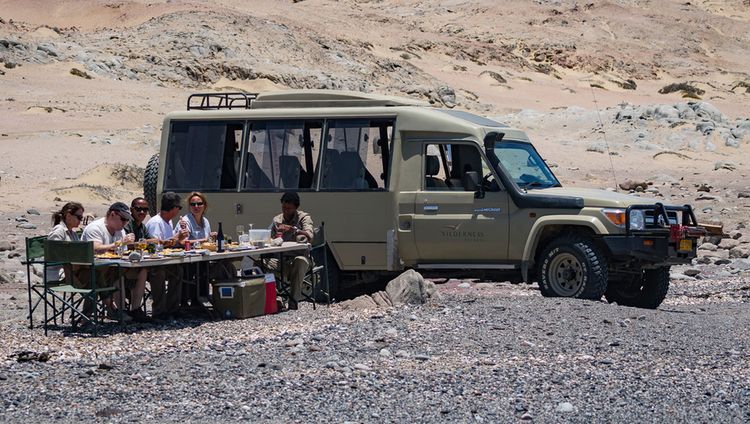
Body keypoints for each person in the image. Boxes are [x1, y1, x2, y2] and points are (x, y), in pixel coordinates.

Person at [80, 202, 150, 323]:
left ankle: (135, 309)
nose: (125, 223)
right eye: (123, 219)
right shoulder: (95, 228)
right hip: (90, 272)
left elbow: (121, 253)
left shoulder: (120, 231)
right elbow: (95, 248)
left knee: (141, 271)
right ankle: (119, 310)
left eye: (127, 221)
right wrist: (118, 243)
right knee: (118, 272)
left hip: (110, 269)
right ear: (112, 214)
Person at [145, 192, 188, 320]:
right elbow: (155, 246)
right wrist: (176, 238)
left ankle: (172, 308)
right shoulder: (156, 223)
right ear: (174, 208)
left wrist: (181, 236)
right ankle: (159, 311)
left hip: (166, 262)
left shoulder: (167, 222)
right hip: (153, 264)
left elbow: (172, 242)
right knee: (159, 274)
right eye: (179, 208)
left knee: (178, 270)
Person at [267, 192, 313, 310]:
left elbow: (309, 235)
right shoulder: (277, 220)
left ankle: (293, 301)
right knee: (260, 264)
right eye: (283, 207)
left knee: (300, 261)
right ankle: (275, 298)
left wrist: (295, 230)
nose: (285, 211)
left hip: (299, 258)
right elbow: (268, 238)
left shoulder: (303, 217)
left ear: (295, 208)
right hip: (281, 259)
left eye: (288, 208)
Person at [175, 192, 216, 306]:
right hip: (186, 257)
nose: (196, 207)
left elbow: (207, 240)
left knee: (215, 267)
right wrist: (204, 240)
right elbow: (183, 241)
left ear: (204, 205)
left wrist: (211, 237)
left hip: (201, 256)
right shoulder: (185, 221)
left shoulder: (205, 221)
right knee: (196, 269)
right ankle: (189, 300)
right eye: (193, 204)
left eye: (199, 204)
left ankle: (200, 299)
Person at [47, 202, 84, 282]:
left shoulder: (73, 234)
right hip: (58, 273)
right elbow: (55, 254)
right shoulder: (59, 231)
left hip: (71, 271)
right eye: (79, 217)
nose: (80, 220)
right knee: (90, 276)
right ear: (68, 216)